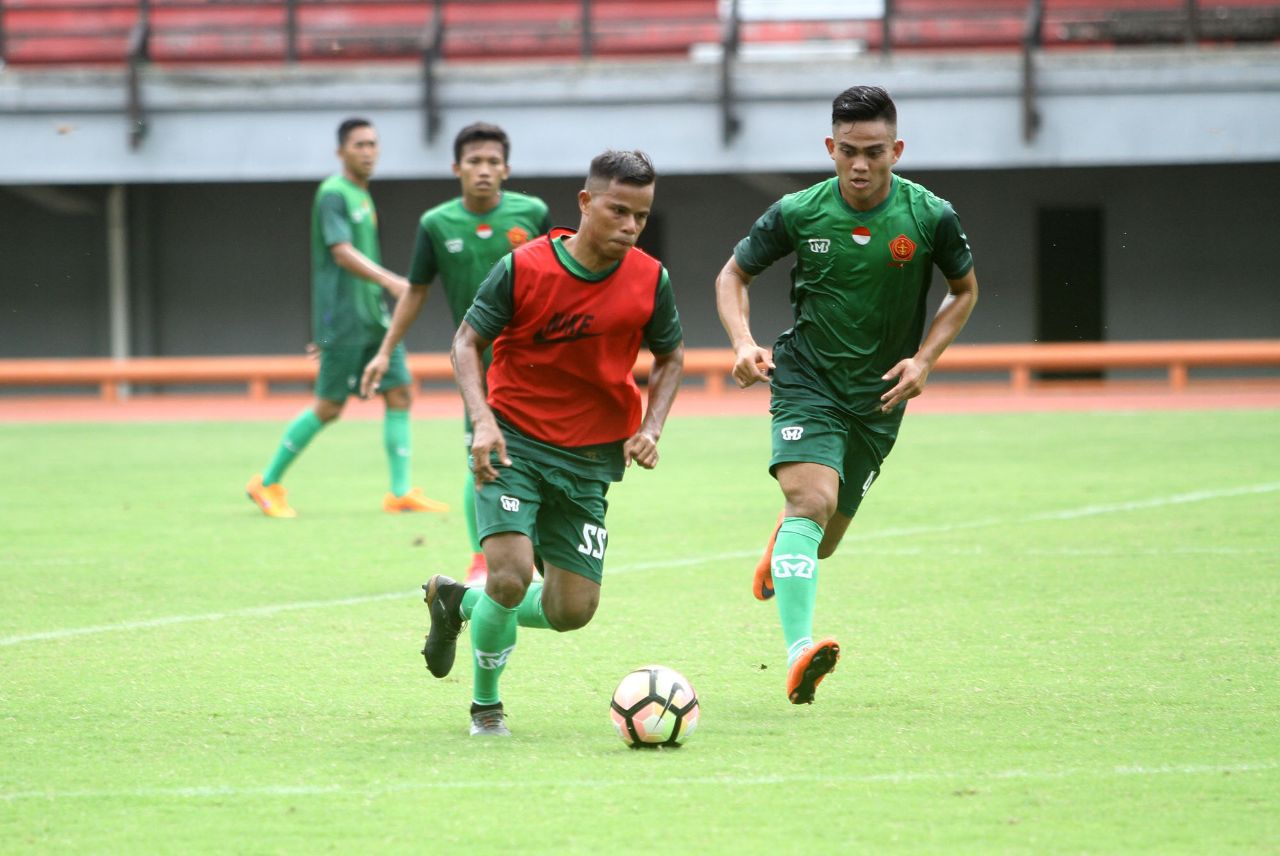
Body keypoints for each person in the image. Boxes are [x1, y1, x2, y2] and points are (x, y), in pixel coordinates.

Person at [714, 86, 979, 705]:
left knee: (822, 537)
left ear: (898, 149)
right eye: (849, 151)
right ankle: (798, 650)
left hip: (881, 397)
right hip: (806, 379)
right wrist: (742, 342)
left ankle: (784, 545)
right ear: (830, 148)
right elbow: (733, 274)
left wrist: (924, 360)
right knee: (811, 500)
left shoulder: (930, 216)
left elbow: (963, 291)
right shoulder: (799, 212)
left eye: (875, 152)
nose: (861, 166)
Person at [420, 150, 684, 737]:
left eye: (641, 216)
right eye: (618, 211)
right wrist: (483, 421)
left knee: (572, 611)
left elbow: (670, 357)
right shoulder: (525, 268)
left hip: (591, 461)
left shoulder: (650, 279)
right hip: (513, 442)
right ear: (586, 203)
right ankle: (486, 707)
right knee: (510, 577)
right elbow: (466, 342)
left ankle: (457, 601)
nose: (630, 226)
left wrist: (651, 427)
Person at [361, 122, 552, 584]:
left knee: (544, 456)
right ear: (456, 168)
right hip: (479, 365)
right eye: (474, 162)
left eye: (492, 162)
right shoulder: (436, 224)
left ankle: (542, 549)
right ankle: (481, 559)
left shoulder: (533, 213)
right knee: (481, 456)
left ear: (506, 169)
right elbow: (415, 292)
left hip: (537, 361)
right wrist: (386, 351)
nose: (483, 170)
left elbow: (558, 278)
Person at [246, 117, 449, 518]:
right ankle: (266, 483)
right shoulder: (333, 194)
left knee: (400, 392)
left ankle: (399, 491)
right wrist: (391, 281)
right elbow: (339, 251)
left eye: (373, 144)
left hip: (371, 316)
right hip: (343, 320)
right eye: (359, 145)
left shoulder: (360, 196)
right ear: (341, 152)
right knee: (329, 406)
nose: (368, 151)